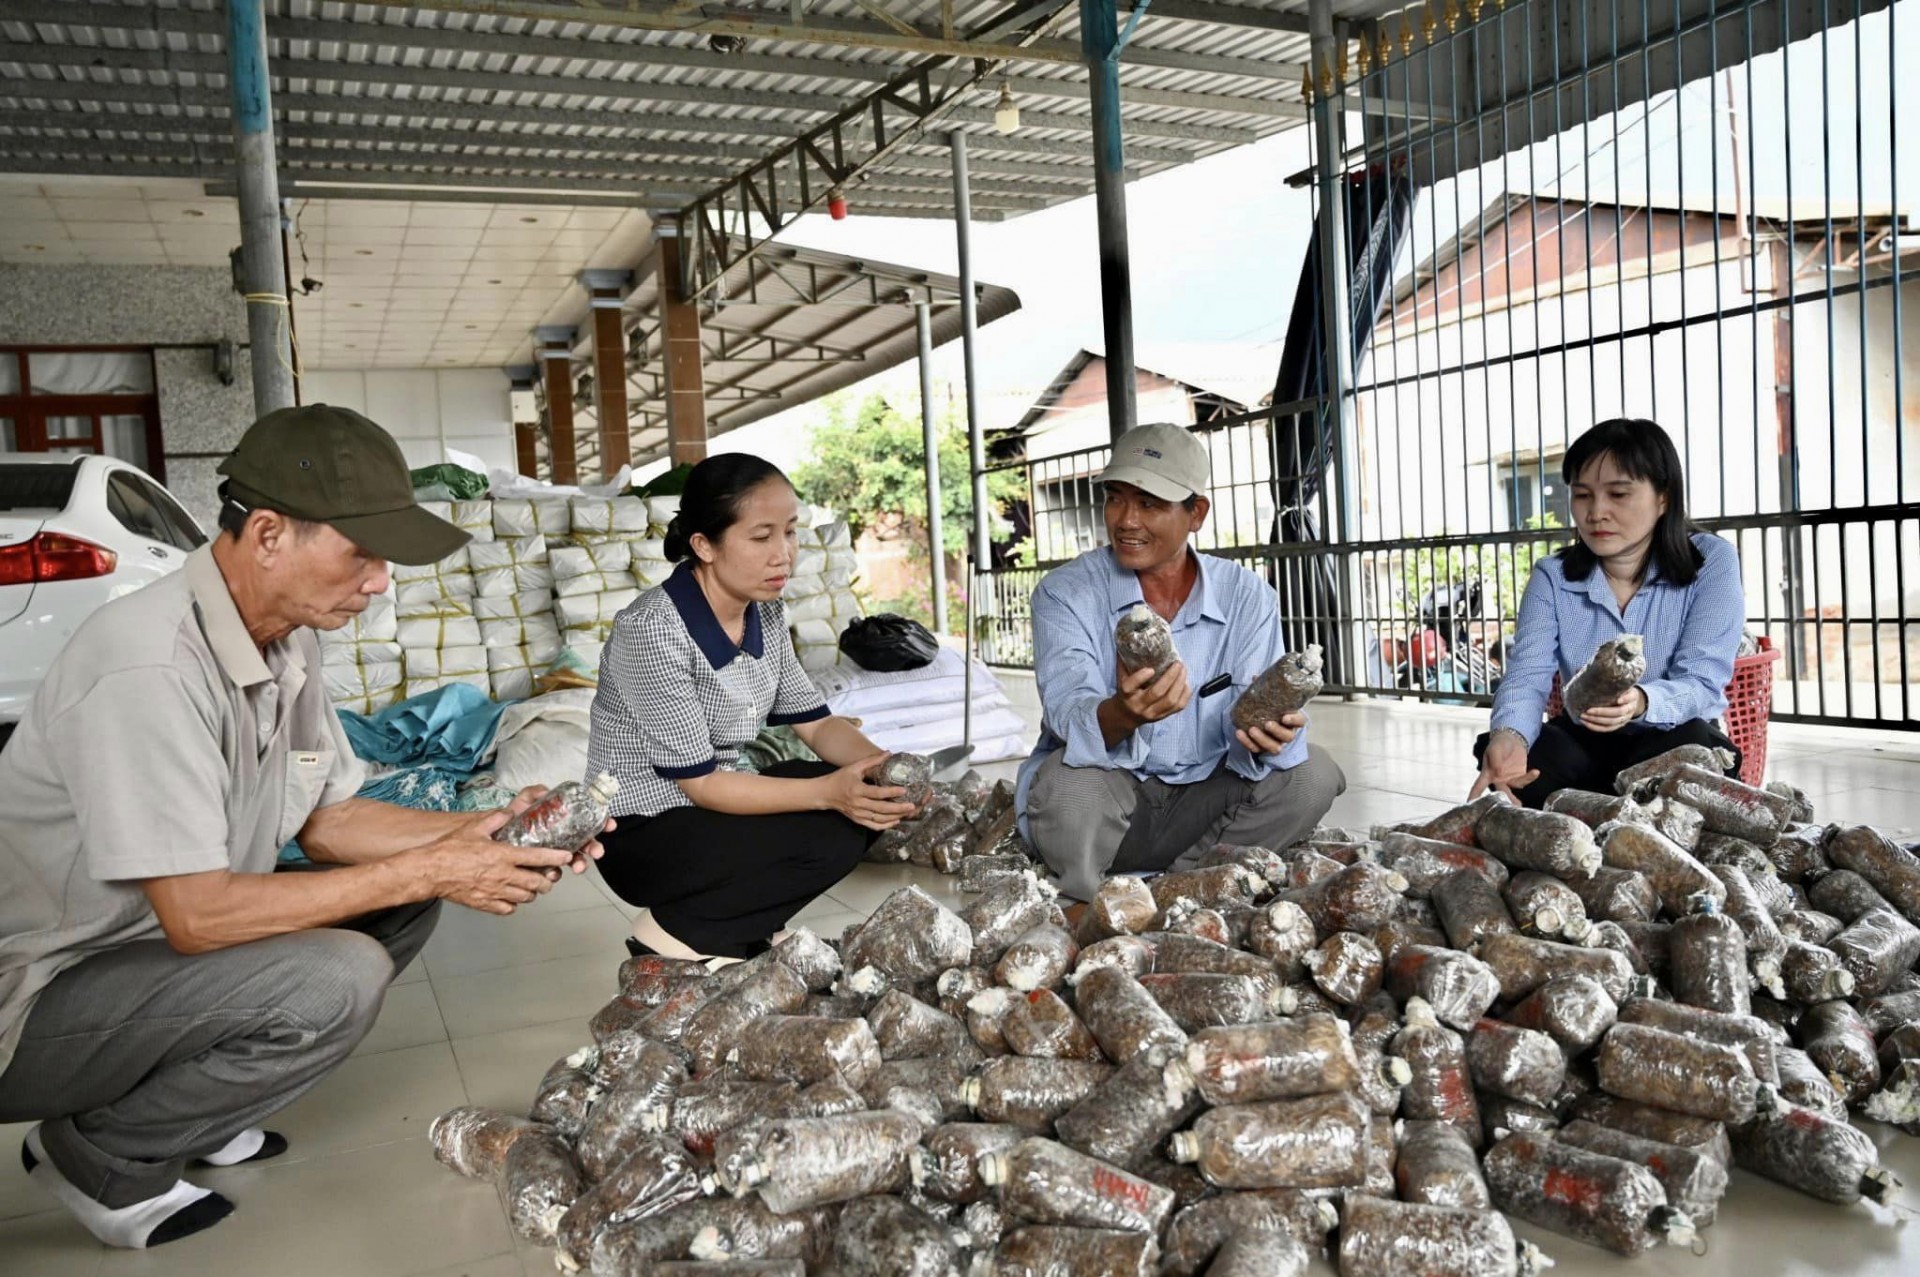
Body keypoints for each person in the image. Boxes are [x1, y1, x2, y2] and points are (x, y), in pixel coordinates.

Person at [0, 404, 604, 1250]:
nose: (380, 581)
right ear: (269, 535)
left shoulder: (286, 643)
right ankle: (101, 1155)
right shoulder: (149, 663)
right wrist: (433, 866)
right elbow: (198, 915)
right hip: (40, 991)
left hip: (146, 947)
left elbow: (329, 818)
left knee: (399, 903)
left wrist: (488, 831)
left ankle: (193, 1107)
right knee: (337, 977)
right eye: (362, 553)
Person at [589, 453, 918, 962]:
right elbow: (701, 783)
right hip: (642, 832)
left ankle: (746, 928)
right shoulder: (651, 630)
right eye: (762, 537)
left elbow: (817, 723)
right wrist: (830, 793)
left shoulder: (764, 612)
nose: (783, 555)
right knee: (828, 812)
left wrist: (886, 770)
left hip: (712, 809)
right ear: (704, 546)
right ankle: (676, 931)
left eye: (790, 532)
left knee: (857, 802)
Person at [1016, 423, 1348, 903]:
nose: (1126, 520)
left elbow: (1257, 717)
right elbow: (1068, 713)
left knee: (1313, 773)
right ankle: (1096, 902)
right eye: (1115, 498)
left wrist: (1273, 736)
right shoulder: (1064, 593)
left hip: (1205, 797)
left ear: (1196, 513)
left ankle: (1187, 883)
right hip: (1112, 797)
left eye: (1149, 503)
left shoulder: (1247, 596)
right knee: (1068, 792)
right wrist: (1123, 713)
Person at [1473, 418, 1747, 807]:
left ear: (1663, 498)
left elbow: (1701, 681)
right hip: (1586, 743)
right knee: (1520, 757)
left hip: (1671, 732)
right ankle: (1605, 813)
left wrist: (1641, 701)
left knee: (1695, 751)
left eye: (1618, 494)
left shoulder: (1711, 561)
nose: (1596, 512)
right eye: (1582, 495)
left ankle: (1596, 811)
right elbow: (1527, 674)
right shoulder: (1552, 576)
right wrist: (1510, 735)